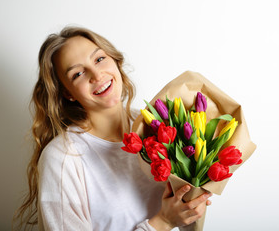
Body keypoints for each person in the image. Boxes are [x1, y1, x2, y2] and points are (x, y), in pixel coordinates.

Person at [14, 26, 211, 231]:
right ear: (67, 93)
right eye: (78, 73)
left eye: (99, 59)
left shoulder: (158, 125)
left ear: (115, 60)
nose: (96, 74)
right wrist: (163, 222)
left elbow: (185, 218)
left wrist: (193, 204)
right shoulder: (62, 157)